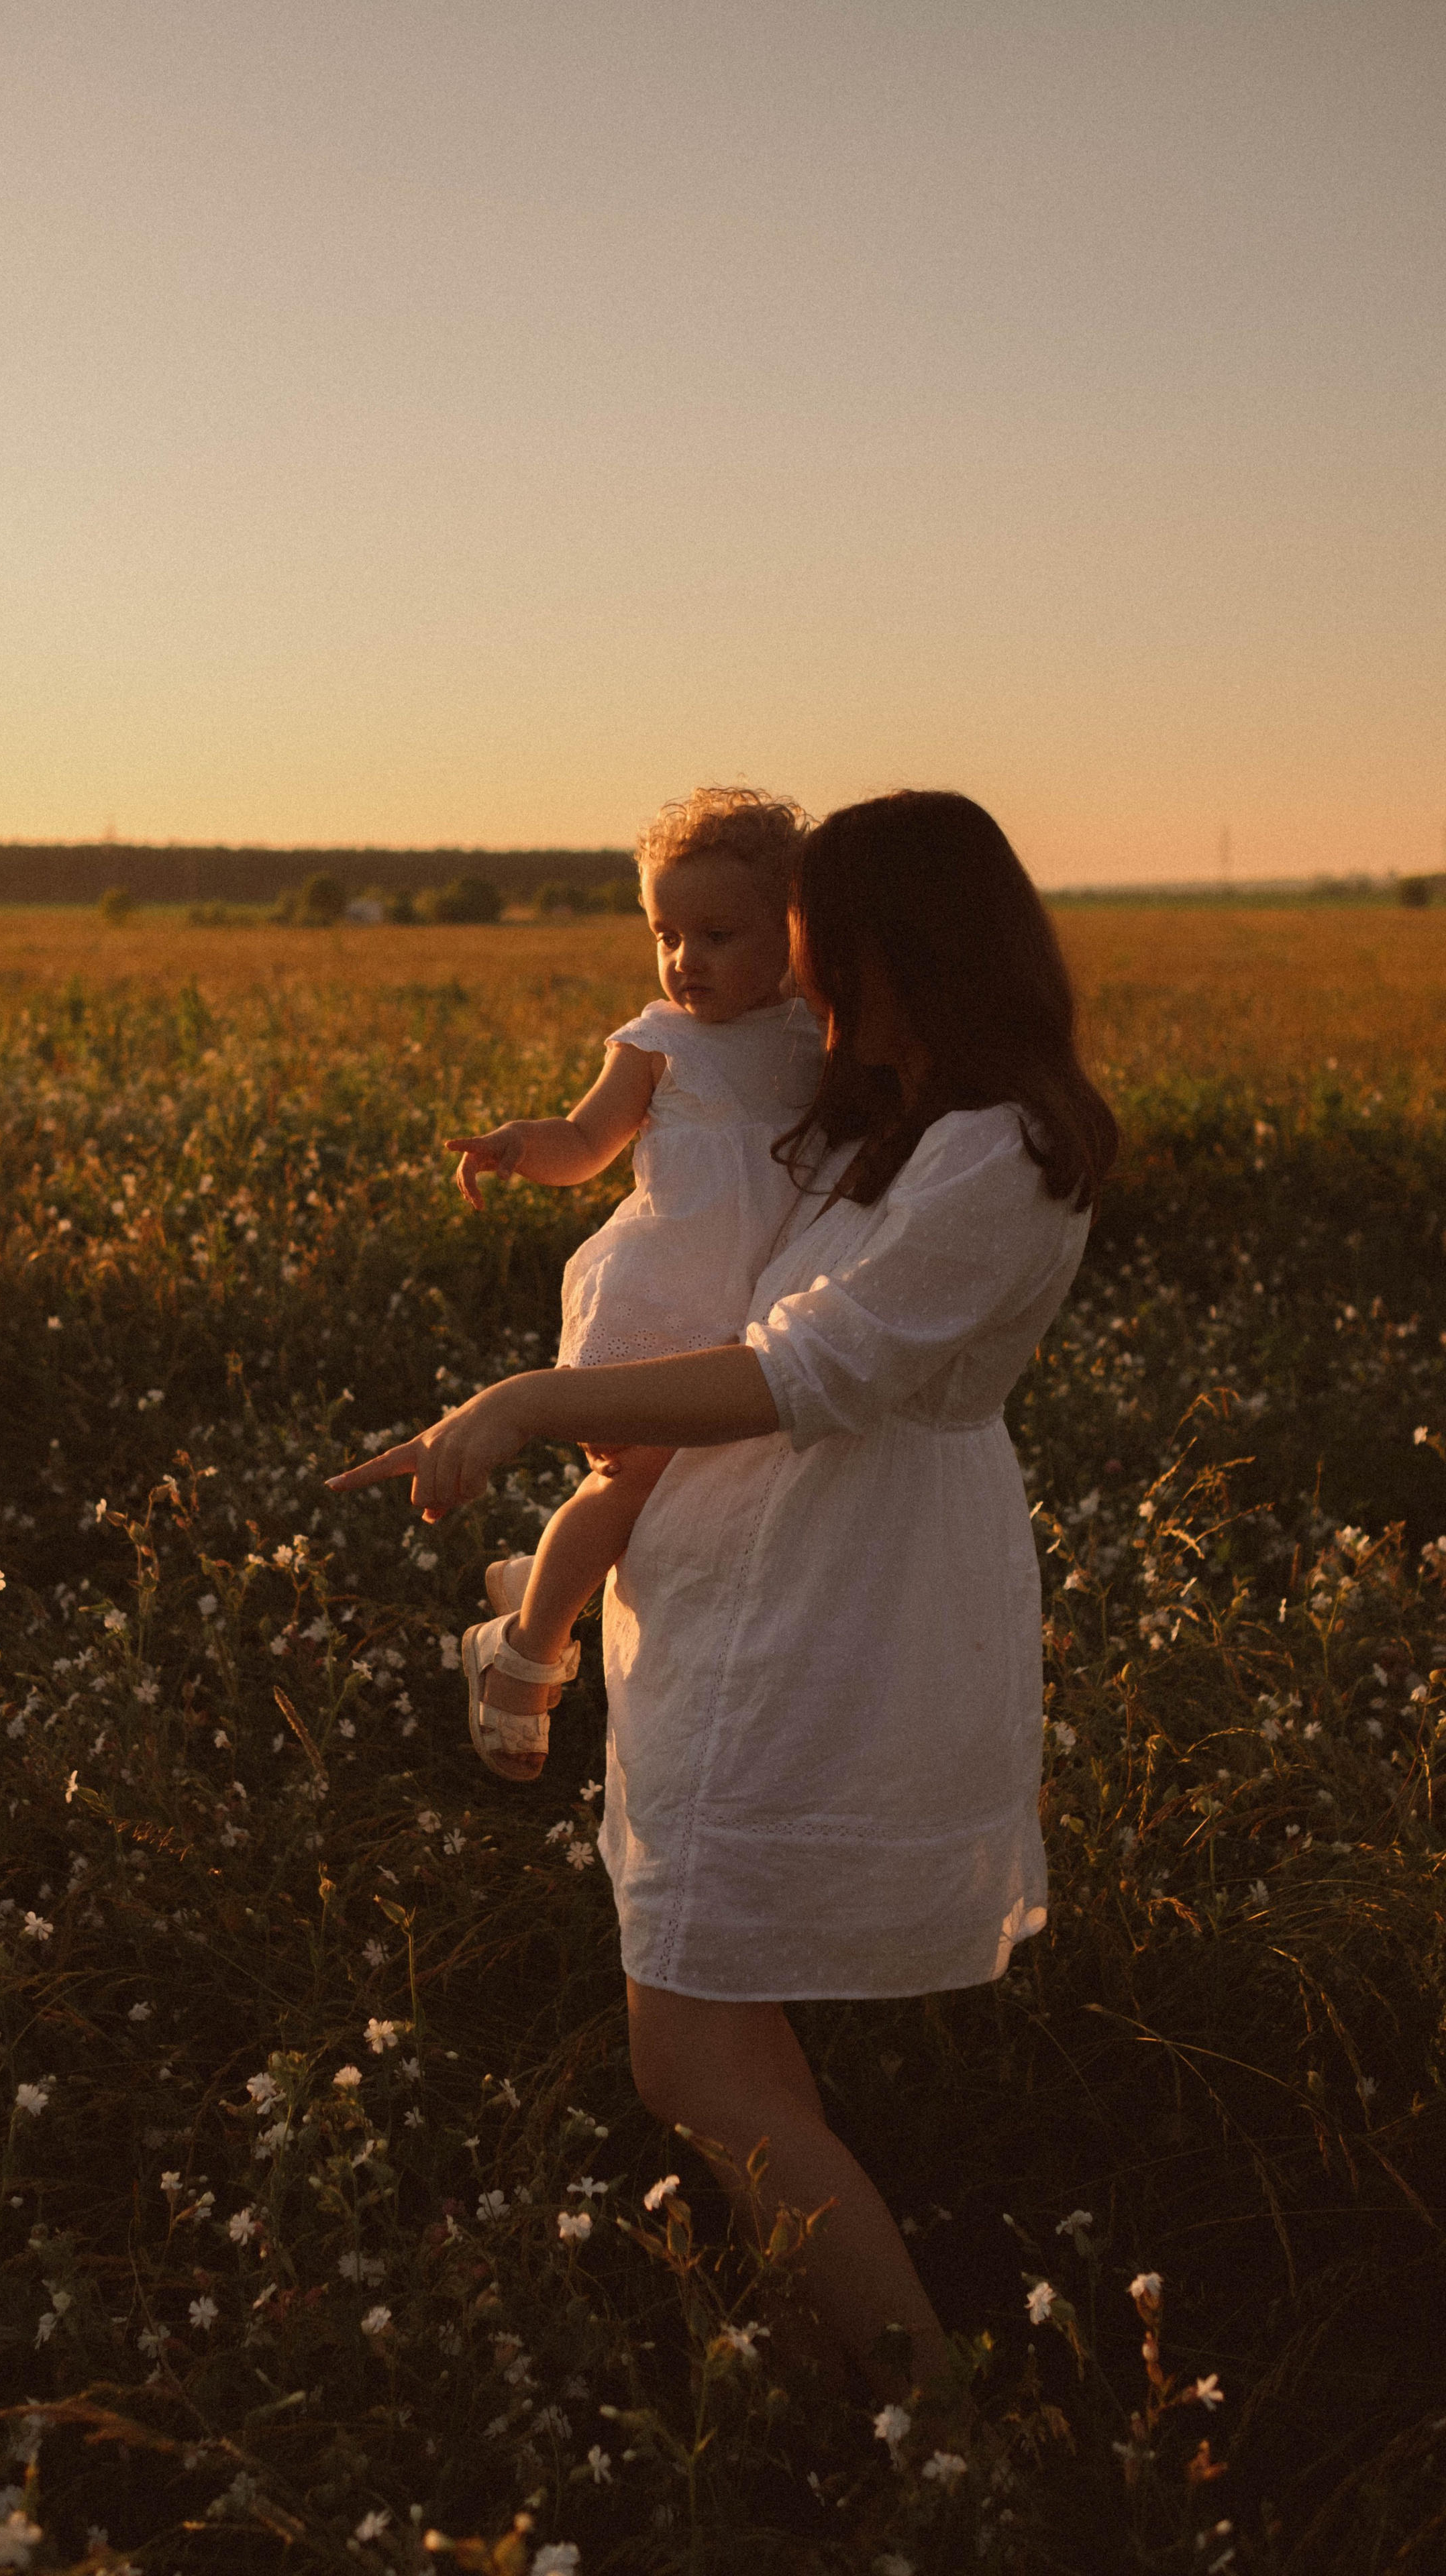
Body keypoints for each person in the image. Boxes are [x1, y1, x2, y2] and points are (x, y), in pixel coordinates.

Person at [330, 790, 1117, 2394]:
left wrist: (527, 1403)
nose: (794, 982)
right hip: (736, 1578)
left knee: (691, 2048)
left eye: (816, 947)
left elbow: (803, 1371)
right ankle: (855, 2376)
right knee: (714, 2040)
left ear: (907, 949)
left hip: (835, 1602)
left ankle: (930, 2428)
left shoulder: (999, 1153)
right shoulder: (884, 1111)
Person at [442, 786, 821, 1782]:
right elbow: (585, 1142)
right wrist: (520, 1147)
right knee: (635, 1477)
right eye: (665, 934)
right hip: (663, 1297)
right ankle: (524, 1653)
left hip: (767, 1303)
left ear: (793, 926)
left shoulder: (822, 1035)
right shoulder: (659, 1041)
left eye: (717, 935)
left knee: (707, 1498)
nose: (685, 959)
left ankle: (543, 1578)